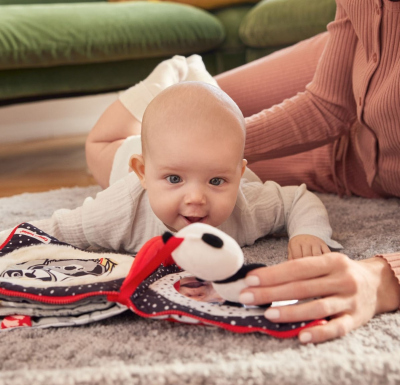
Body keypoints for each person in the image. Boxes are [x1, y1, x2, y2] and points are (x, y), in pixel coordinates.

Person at [84, 0, 400, 344]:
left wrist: (384, 276)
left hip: (349, 163)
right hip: (347, 89)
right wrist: (209, 154)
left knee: (112, 149)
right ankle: (173, 73)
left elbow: (295, 202)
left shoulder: (255, 208)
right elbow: (328, 106)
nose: (195, 199)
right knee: (187, 109)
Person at [1, 79, 341, 262]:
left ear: (239, 176)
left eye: (217, 181)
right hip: (128, 151)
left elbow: (298, 200)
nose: (196, 199)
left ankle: (191, 78)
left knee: (199, 108)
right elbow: (56, 228)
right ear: (144, 173)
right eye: (175, 180)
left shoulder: (248, 205)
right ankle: (166, 75)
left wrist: (308, 233)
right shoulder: (119, 211)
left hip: (174, 147)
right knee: (98, 145)